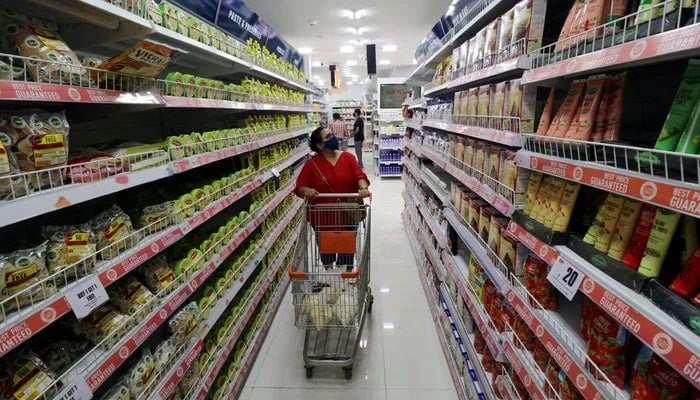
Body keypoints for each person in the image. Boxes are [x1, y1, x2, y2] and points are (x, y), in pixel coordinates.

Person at [296, 127, 370, 270]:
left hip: (348, 214)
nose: (334, 138)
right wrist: (307, 190)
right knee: (327, 251)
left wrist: (363, 188)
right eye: (329, 136)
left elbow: (359, 176)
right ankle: (331, 275)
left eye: (333, 134)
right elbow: (300, 187)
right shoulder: (311, 165)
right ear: (320, 145)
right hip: (323, 217)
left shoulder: (348, 158)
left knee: (346, 251)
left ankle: (345, 276)